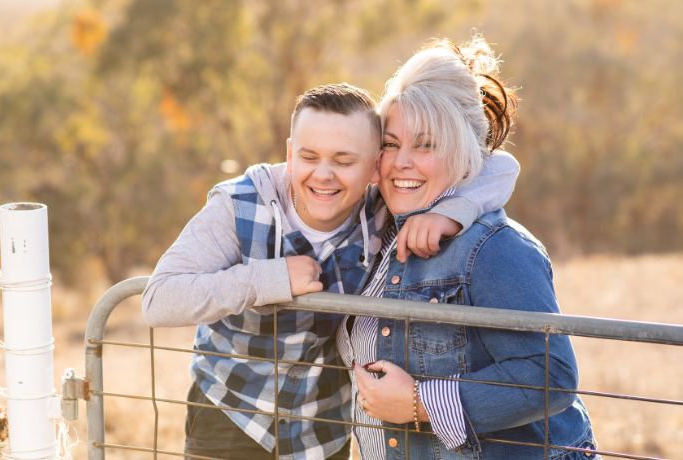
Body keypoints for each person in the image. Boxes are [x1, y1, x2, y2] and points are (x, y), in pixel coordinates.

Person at [142, 83, 520, 460]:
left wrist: (450, 213)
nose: (323, 175)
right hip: (231, 413)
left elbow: (502, 166)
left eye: (343, 161)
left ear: (375, 167)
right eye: (309, 157)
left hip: (323, 429)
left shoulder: (382, 209)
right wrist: (267, 280)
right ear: (290, 154)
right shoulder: (239, 204)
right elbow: (159, 300)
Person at [336, 36, 598, 459]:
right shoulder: (374, 231)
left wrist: (420, 403)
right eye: (390, 143)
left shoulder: (494, 249)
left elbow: (552, 378)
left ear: (462, 152)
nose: (402, 161)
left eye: (426, 144)